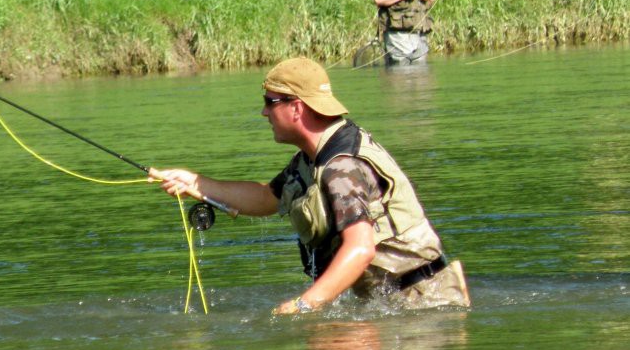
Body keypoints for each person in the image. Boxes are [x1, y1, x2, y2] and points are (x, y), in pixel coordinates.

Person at [149, 57, 469, 314]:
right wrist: (194, 182)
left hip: (425, 307)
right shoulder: (312, 158)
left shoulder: (342, 166)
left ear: (296, 107)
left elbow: (360, 249)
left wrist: (304, 305)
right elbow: (266, 198)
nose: (263, 112)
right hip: (391, 305)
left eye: (269, 101)